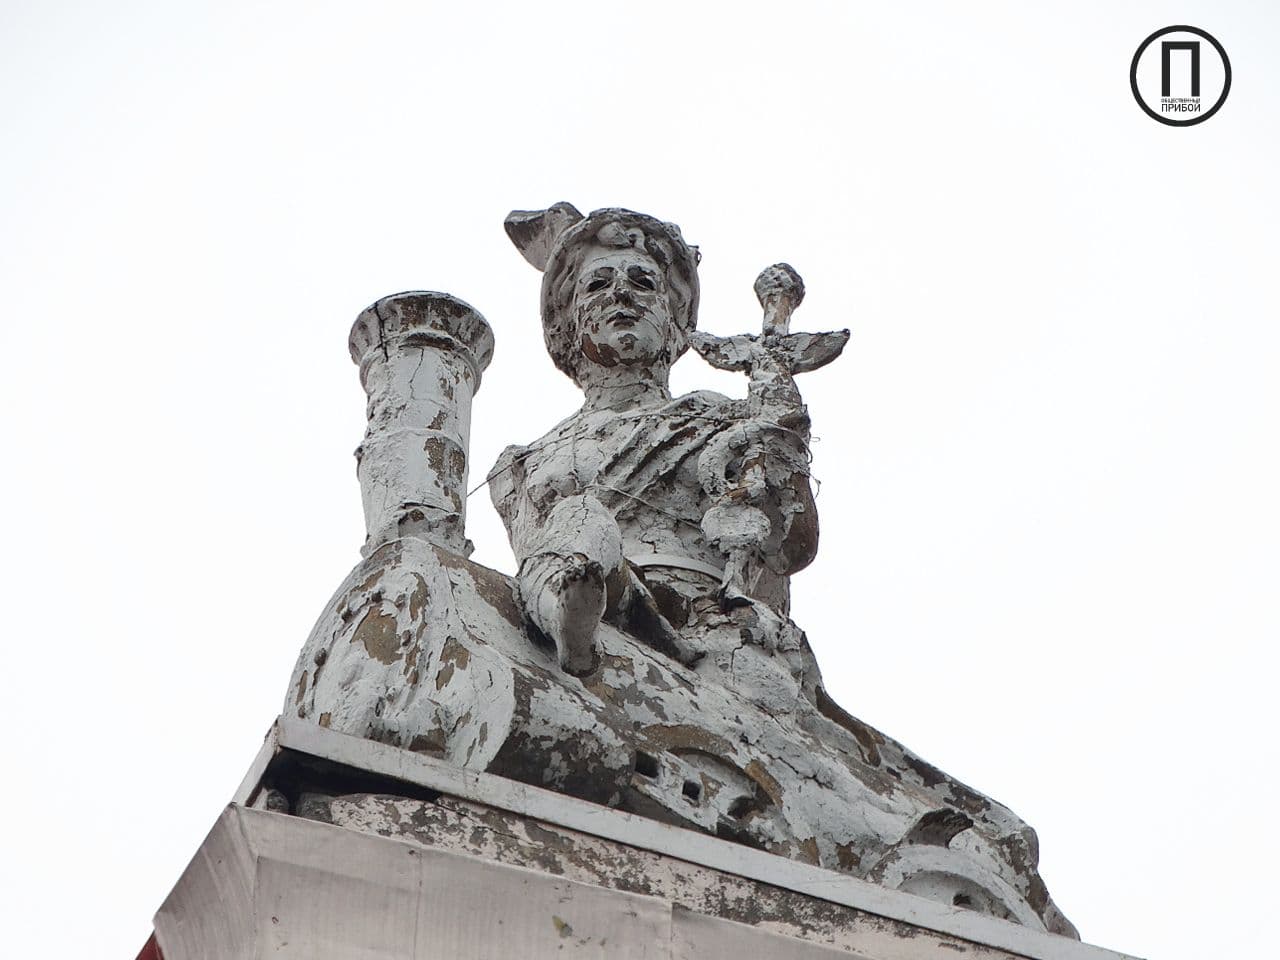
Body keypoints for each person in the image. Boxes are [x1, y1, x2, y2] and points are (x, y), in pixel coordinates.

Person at [489, 205, 819, 675]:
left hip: (698, 615)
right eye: (597, 285)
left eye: (643, 282)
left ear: (674, 320)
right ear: (567, 323)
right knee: (582, 520)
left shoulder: (717, 418)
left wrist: (782, 438)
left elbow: (791, 547)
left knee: (581, 517)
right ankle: (568, 620)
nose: (621, 293)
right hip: (596, 597)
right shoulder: (523, 465)